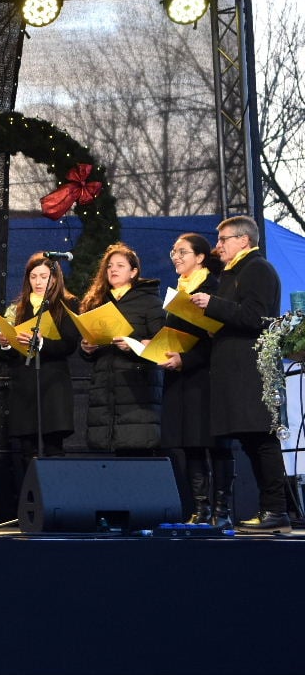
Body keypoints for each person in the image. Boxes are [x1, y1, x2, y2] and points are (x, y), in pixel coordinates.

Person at [189, 215, 289, 531]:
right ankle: (269, 510)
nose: (218, 247)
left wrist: (212, 305)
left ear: (243, 240)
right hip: (236, 372)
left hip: (252, 372)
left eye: (223, 240)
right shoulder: (235, 273)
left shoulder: (258, 269)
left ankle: (276, 510)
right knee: (251, 442)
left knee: (262, 440)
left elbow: (256, 316)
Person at [158, 234, 232, 527]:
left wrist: (186, 359)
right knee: (190, 443)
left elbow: (216, 338)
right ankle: (201, 510)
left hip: (208, 377)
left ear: (200, 257)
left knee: (216, 444)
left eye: (182, 252)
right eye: (173, 252)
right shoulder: (178, 291)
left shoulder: (214, 287)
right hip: (180, 379)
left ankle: (222, 511)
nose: (176, 257)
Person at [77, 243, 165, 454]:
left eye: (120, 265)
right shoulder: (97, 302)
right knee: (107, 459)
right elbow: (89, 350)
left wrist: (132, 344)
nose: (113, 270)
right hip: (104, 390)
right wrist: (86, 348)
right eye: (109, 266)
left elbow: (162, 345)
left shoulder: (149, 301)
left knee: (135, 452)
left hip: (137, 390)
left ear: (134, 272)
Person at [0, 253, 80, 462]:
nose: (38, 282)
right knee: (27, 451)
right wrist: (6, 345)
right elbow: (5, 355)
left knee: (53, 449)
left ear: (55, 278)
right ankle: (29, 494)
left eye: (44, 276)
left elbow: (69, 344)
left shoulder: (67, 304)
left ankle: (54, 494)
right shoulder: (18, 308)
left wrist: (41, 342)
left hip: (52, 385)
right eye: (33, 277)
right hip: (25, 386)